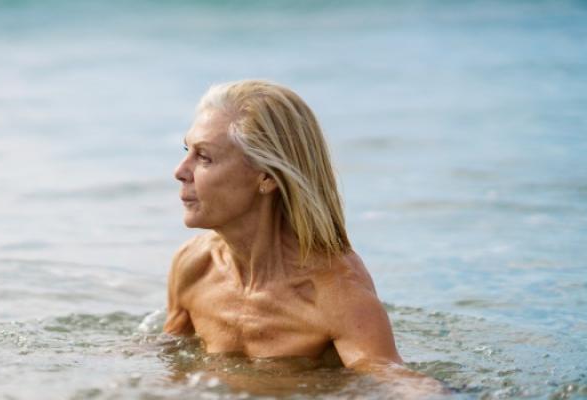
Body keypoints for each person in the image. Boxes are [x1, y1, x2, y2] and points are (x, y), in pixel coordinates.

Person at [164, 80, 443, 393]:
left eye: (204, 157)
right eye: (187, 150)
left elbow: (394, 383)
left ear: (267, 177)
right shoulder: (194, 265)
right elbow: (170, 355)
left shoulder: (333, 292)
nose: (179, 170)